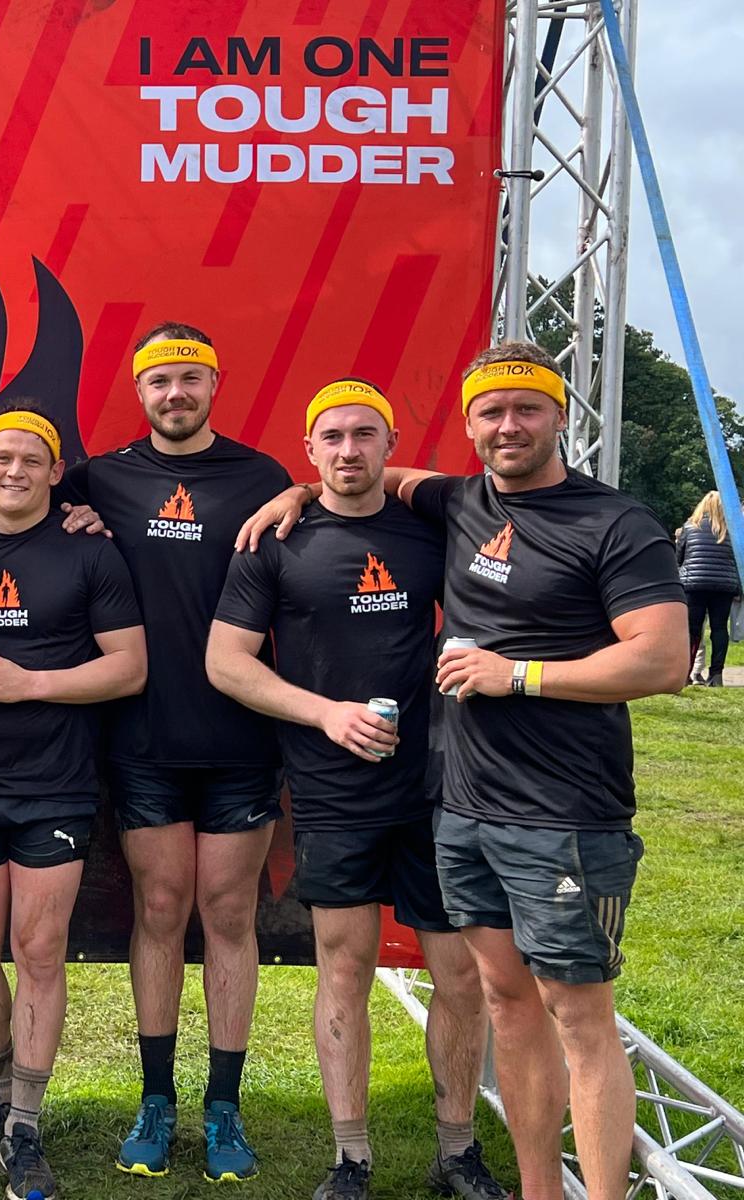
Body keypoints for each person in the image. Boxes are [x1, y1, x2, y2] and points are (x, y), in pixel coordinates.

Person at [238, 341, 688, 1200]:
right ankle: (535, 1188)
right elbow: (369, 475)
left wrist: (517, 675)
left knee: (578, 1017)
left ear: (561, 415)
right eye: (491, 412)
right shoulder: (461, 499)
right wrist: (297, 492)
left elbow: (664, 659)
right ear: (470, 427)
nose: (508, 426)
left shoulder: (614, 521)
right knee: (509, 1004)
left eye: (527, 409)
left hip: (565, 810)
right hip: (463, 807)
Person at [0, 322, 291, 1182]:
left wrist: (303, 492)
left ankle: (224, 1106)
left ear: (215, 385)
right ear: (140, 392)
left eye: (190, 378)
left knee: (230, 917)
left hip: (240, 735)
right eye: (159, 380)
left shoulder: (263, 478)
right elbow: (9, 491)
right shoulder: (102, 476)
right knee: (160, 910)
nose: (175, 393)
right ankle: (156, 1099)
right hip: (140, 740)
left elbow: (341, 507)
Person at [209, 380, 502, 1200]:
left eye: (364, 434)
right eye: (331, 437)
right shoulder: (274, 541)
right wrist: (325, 714)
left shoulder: (431, 531)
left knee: (460, 975)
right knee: (345, 968)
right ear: (309, 448)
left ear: (390, 443)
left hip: (438, 786)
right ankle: (350, 1158)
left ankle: (457, 1152)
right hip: (332, 789)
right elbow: (224, 662)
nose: (347, 450)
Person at [0, 402, 147, 1200]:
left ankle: (25, 1124)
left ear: (57, 472)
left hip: (55, 785)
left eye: (32, 460)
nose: (15, 471)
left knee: (39, 951)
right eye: (2, 457)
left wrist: (31, 684)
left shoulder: (91, 552)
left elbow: (129, 668)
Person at [676, 490, 739, 687]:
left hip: (694, 584)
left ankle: (686, 672)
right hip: (724, 585)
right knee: (719, 628)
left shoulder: (689, 526)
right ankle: (716, 675)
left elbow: (679, 557)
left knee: (693, 629)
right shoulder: (733, 531)